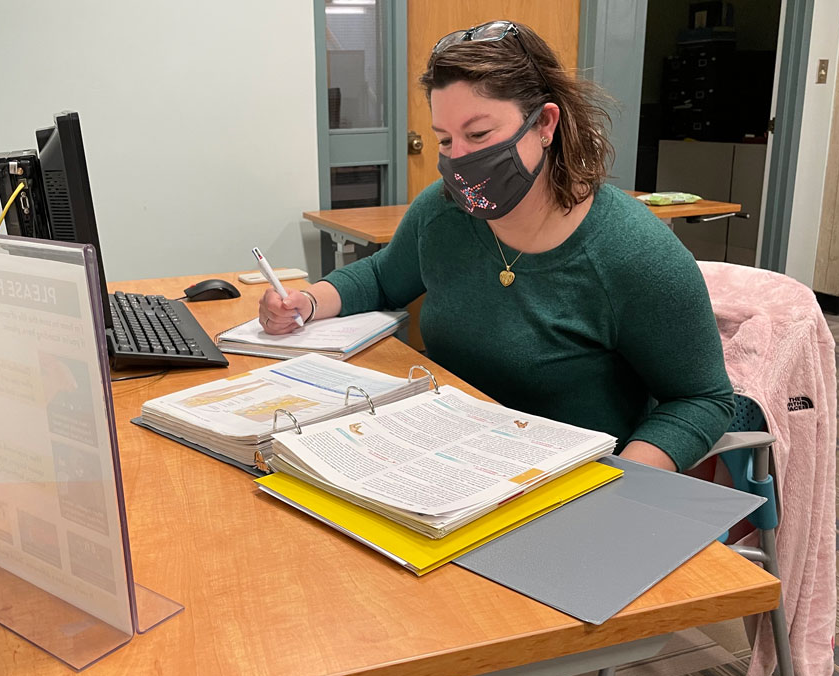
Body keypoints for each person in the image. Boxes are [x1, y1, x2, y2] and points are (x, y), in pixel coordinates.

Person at [258, 21, 734, 472]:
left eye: (479, 134)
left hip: (569, 483)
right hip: (445, 457)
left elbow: (702, 400)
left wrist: (625, 480)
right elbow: (384, 276)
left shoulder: (635, 253)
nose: (460, 160)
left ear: (545, 125)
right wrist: (307, 301)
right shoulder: (444, 211)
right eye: (445, 140)